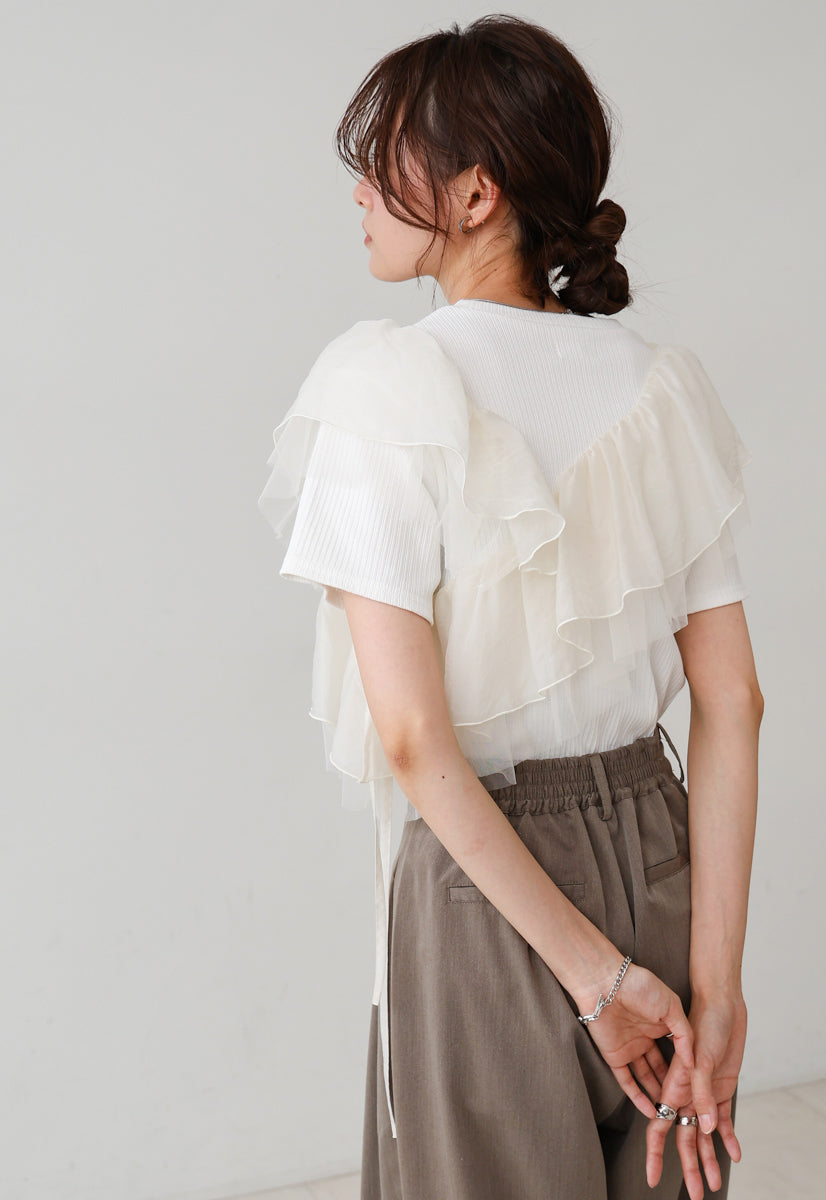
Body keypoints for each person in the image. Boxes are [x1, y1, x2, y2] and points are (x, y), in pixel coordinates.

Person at [258, 14, 763, 1200]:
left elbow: (410, 738)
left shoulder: (383, 389)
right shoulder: (658, 387)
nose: (359, 191)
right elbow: (734, 701)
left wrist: (595, 981)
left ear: (477, 192)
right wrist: (719, 988)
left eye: (384, 160)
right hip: (661, 852)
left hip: (487, 886)